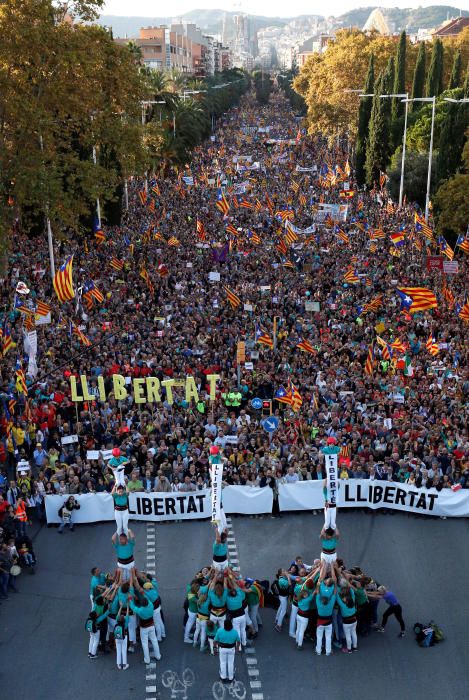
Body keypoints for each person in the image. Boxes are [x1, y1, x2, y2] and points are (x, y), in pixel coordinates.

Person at [129, 591, 161, 664]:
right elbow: (146, 598)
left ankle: (147, 659)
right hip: (151, 625)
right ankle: (158, 655)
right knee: (154, 640)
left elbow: (133, 607)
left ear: (142, 604)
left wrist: (131, 600)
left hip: (144, 628)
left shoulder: (140, 610)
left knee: (144, 643)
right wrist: (143, 593)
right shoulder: (150, 605)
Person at [315, 563, 337, 656]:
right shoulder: (331, 601)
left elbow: (318, 588)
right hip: (328, 621)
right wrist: (335, 586)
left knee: (319, 637)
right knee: (328, 637)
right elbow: (335, 589)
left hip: (320, 621)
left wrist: (323, 566)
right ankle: (328, 651)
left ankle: (318, 651)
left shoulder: (319, 602)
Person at [214, 619, 240, 683]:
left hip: (222, 649)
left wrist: (215, 648)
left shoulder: (220, 631)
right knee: (230, 663)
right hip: (231, 649)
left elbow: (215, 641)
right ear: (231, 625)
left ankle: (223, 677)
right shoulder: (235, 632)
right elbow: (238, 641)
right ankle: (231, 677)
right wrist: (237, 648)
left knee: (223, 662)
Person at [337, 584, 358, 653]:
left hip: (346, 623)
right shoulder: (353, 602)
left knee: (348, 635)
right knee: (354, 633)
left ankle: (349, 649)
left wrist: (336, 590)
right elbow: (352, 594)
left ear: (346, 601)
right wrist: (349, 586)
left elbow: (337, 598)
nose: (343, 598)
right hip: (354, 620)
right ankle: (355, 647)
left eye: (345, 599)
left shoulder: (343, 605)